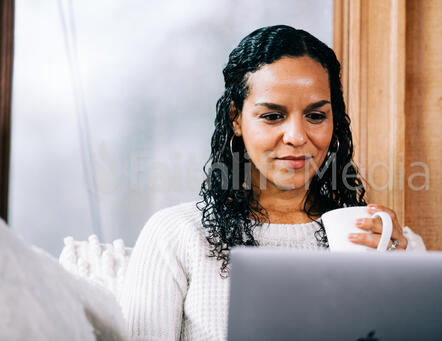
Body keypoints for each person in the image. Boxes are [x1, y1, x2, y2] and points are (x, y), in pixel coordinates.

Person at [119, 25, 426, 341]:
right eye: (272, 116)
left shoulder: (385, 241)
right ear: (236, 119)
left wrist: (398, 271)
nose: (296, 136)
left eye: (316, 116)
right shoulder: (177, 235)